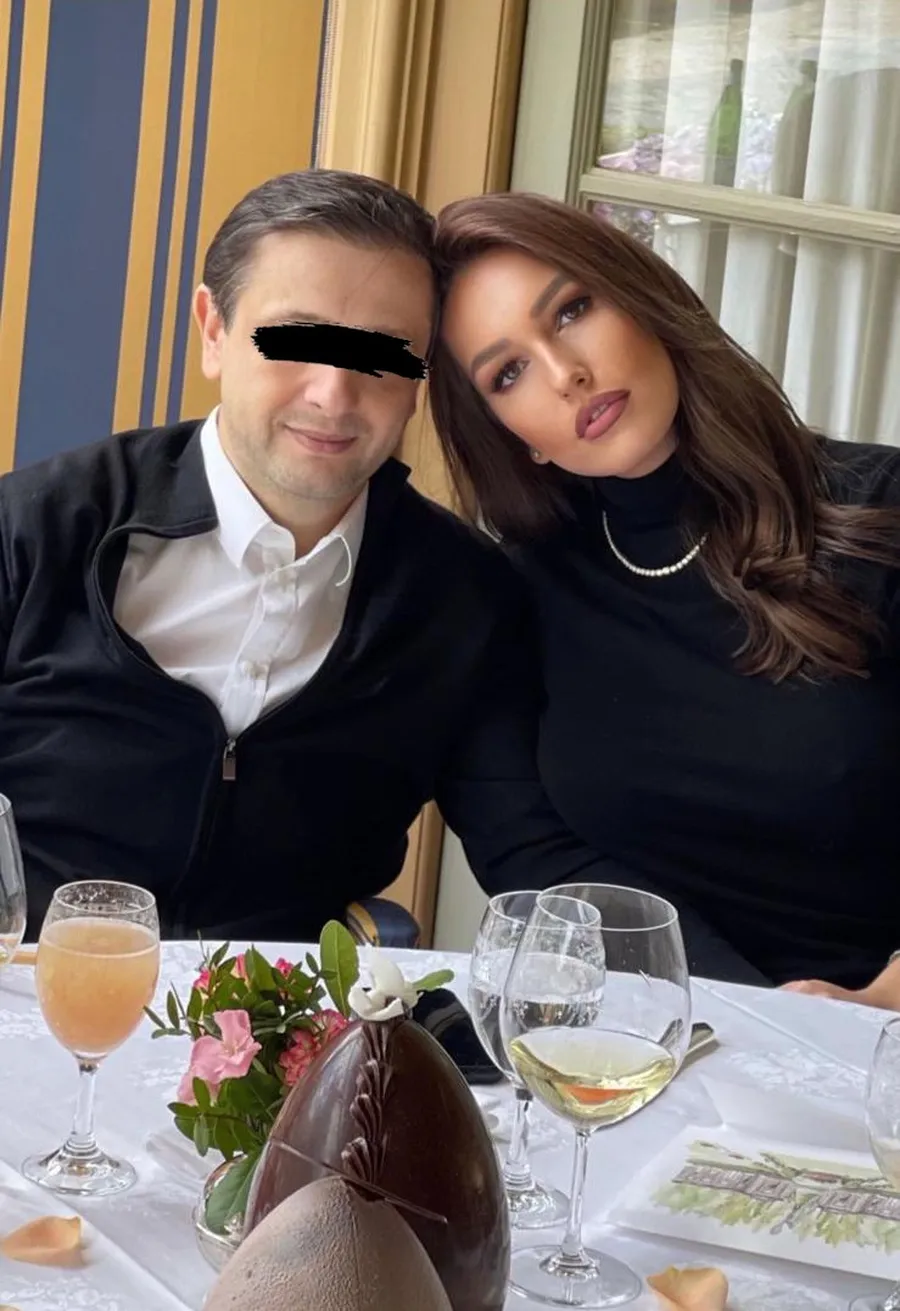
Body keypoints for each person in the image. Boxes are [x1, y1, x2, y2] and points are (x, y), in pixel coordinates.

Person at [0, 169, 613, 944]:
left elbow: (529, 851)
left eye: (383, 355)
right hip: (27, 987)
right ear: (214, 330)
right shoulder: (34, 528)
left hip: (286, 1009)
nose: (333, 395)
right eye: (295, 341)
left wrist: (715, 979)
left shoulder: (465, 598)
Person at [428, 189, 900, 1010]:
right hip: (661, 1032)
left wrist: (877, 1003)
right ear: (511, 435)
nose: (566, 374)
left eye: (572, 310)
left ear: (644, 299)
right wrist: (745, 1012)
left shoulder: (881, 508)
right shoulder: (520, 592)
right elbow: (535, 851)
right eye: (509, 372)